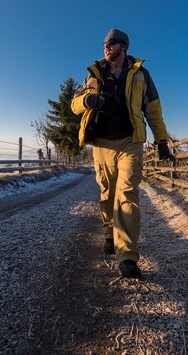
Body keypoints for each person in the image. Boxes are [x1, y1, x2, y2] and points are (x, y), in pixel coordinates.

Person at [71, 28, 174, 278]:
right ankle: (109, 231)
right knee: (107, 191)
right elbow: (74, 105)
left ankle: (127, 254)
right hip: (102, 143)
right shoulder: (93, 74)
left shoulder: (141, 75)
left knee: (127, 192)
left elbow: (153, 112)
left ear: (124, 47)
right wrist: (88, 101)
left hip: (131, 141)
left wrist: (162, 141)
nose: (107, 47)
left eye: (112, 43)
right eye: (105, 43)